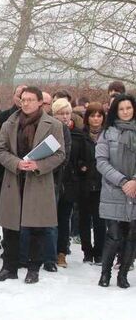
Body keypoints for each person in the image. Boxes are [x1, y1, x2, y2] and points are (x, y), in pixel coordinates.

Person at [0, 86, 65, 284]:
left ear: (41, 102)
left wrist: (38, 165)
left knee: (37, 228)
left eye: (31, 99)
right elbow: (0, 150)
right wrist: (17, 163)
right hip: (14, 180)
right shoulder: (9, 122)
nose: (26, 103)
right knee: (10, 228)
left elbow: (60, 154)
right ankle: (9, 268)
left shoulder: (53, 124)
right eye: (23, 99)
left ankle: (33, 269)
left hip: (38, 180)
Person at [96, 94, 136, 288]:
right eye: (121, 109)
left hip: (135, 191)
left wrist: (134, 181)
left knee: (131, 236)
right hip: (114, 190)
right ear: (115, 111)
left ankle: (123, 275)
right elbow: (102, 162)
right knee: (114, 236)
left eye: (129, 108)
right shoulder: (107, 133)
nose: (126, 111)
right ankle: (105, 274)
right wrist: (123, 181)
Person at [0, 84, 28, 250]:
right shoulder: (4, 118)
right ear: (14, 96)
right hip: (2, 170)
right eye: (20, 95)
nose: (22, 100)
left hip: (26, 170)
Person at [52, 98, 84, 268]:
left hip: (70, 182)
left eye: (67, 113)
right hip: (52, 180)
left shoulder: (78, 134)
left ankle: (61, 252)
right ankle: (48, 251)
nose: (64, 117)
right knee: (50, 218)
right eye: (60, 113)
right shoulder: (49, 132)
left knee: (64, 218)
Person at [79, 103, 106, 264]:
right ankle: (87, 251)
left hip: (103, 183)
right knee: (84, 219)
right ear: (87, 118)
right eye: (92, 115)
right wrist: (81, 165)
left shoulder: (107, 135)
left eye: (99, 115)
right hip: (84, 183)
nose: (96, 119)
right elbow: (75, 157)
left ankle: (100, 251)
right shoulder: (81, 135)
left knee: (100, 220)